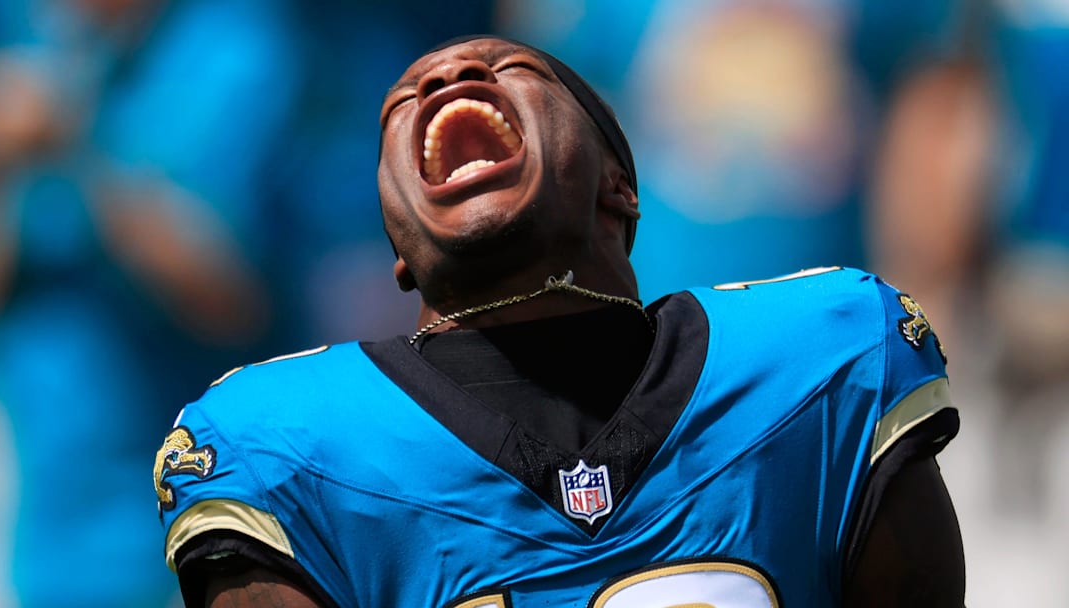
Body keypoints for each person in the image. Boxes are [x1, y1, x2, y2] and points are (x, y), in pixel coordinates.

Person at [153, 36, 965, 607]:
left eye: (510, 67)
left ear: (619, 185)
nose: (448, 73)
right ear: (400, 246)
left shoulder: (819, 358)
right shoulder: (284, 445)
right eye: (405, 98)